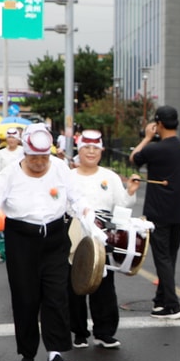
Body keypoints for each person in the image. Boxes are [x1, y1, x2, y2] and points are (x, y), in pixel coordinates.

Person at [0, 123, 100, 361]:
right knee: (26, 297)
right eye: (34, 158)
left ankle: (55, 353)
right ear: (24, 153)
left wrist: (89, 217)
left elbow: (78, 199)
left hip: (54, 236)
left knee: (56, 294)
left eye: (44, 157)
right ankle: (27, 353)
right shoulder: (10, 174)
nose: (40, 163)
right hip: (21, 239)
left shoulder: (61, 169)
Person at [65, 129, 140, 349]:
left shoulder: (110, 177)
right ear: (80, 150)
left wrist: (131, 191)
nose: (90, 152)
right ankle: (78, 331)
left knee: (104, 283)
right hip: (74, 233)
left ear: (101, 151)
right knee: (74, 282)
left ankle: (104, 332)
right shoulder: (68, 177)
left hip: (102, 234)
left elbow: (122, 205)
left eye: (95, 148)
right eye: (86, 148)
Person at [130, 105, 180, 320]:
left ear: (158, 124)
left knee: (162, 258)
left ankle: (173, 305)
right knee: (170, 258)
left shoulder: (154, 149)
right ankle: (161, 302)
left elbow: (134, 158)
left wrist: (148, 137)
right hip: (179, 211)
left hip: (158, 212)